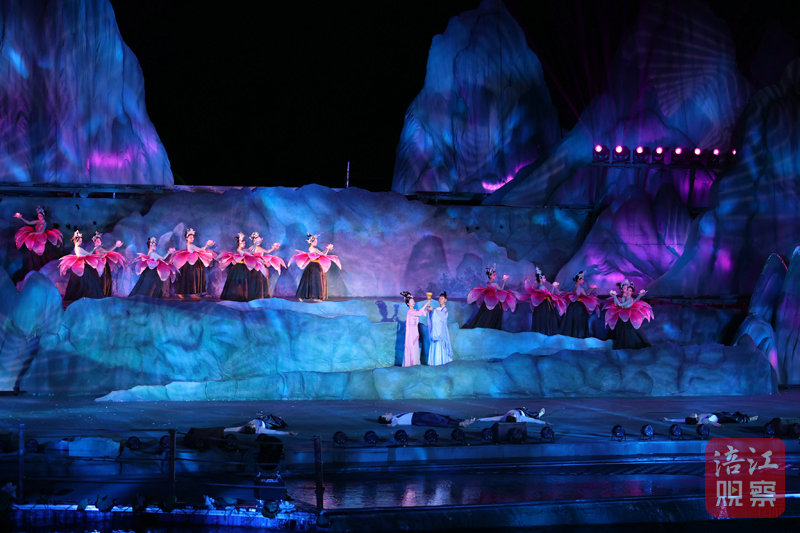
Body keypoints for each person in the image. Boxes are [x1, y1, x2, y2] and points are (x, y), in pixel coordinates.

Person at [290, 233, 341, 302]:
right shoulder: (312, 249)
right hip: (314, 266)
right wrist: (327, 249)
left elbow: (322, 255)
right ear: (312, 242)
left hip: (315, 265)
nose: (316, 242)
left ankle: (313, 296)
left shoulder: (313, 249)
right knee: (314, 280)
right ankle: (313, 296)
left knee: (312, 280)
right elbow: (322, 255)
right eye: (315, 241)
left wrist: (327, 249)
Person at [604, 279, 653, 349]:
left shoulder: (629, 298)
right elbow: (618, 304)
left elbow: (630, 302)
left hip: (628, 314)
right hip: (623, 314)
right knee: (622, 328)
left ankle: (633, 342)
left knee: (631, 327)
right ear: (621, 290)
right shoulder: (623, 297)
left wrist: (640, 295)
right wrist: (614, 297)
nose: (626, 290)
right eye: (625, 288)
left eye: (627, 288)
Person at [13, 206, 63, 273]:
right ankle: (33, 267)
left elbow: (41, 232)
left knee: (41, 251)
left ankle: (43, 267)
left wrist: (33, 233)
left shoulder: (44, 222)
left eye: (41, 216)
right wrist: (21, 218)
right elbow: (29, 222)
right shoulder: (38, 221)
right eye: (38, 215)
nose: (39, 217)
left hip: (41, 237)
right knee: (33, 251)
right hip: (35, 237)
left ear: (43, 216)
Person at [59, 230, 104, 301]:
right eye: (80, 240)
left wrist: (95, 248)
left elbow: (87, 253)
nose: (81, 241)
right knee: (87, 279)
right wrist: (95, 248)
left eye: (81, 240)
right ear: (76, 241)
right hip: (81, 266)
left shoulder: (78, 247)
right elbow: (88, 254)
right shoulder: (78, 248)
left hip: (83, 264)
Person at [171, 227, 215, 299]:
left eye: (193, 237)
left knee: (187, 278)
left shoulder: (190, 245)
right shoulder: (190, 245)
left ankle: (183, 293)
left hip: (191, 262)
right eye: (190, 237)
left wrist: (206, 245)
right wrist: (206, 245)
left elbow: (199, 250)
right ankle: (192, 294)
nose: (192, 238)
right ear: (187, 238)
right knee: (193, 277)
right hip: (191, 264)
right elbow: (200, 250)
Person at [521, 267, 566, 335]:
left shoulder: (542, 286)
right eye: (544, 278)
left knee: (549, 316)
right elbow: (548, 294)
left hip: (545, 304)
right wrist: (553, 287)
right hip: (543, 304)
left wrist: (553, 287)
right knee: (546, 317)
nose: (545, 279)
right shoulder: (541, 287)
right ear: (540, 278)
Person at [560, 270, 600, 338]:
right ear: (578, 279)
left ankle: (579, 334)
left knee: (580, 320)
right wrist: (590, 289)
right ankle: (578, 334)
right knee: (578, 320)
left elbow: (585, 294)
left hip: (578, 305)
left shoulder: (579, 287)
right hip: (577, 306)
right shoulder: (577, 287)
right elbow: (580, 294)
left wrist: (590, 289)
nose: (583, 281)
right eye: (582, 279)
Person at [247, 232, 284, 299]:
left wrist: (273, 248)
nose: (259, 242)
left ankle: (258, 294)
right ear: (254, 241)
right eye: (257, 241)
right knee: (259, 279)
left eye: (259, 241)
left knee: (259, 279)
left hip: (257, 265)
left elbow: (267, 251)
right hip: (257, 265)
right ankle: (258, 294)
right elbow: (248, 253)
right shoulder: (254, 248)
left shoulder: (255, 248)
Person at [218, 232, 253, 301]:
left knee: (243, 281)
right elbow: (247, 253)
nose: (244, 244)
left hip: (243, 267)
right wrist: (241, 239)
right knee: (237, 281)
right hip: (238, 267)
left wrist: (255, 244)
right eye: (243, 243)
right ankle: (236, 296)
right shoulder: (239, 250)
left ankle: (242, 295)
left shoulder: (244, 250)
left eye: (245, 243)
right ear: (239, 243)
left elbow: (250, 251)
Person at [400, 291, 432, 366]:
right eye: (411, 301)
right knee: (411, 346)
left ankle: (415, 363)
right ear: (408, 303)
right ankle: (410, 363)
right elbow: (419, 313)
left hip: (415, 330)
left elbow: (423, 313)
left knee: (415, 347)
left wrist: (427, 308)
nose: (413, 302)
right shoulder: (410, 312)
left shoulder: (415, 310)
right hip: (411, 332)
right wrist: (426, 304)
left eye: (413, 301)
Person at [91, 232, 125, 297]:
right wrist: (116, 245)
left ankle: (105, 292)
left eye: (99, 240)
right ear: (95, 243)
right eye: (97, 241)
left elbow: (106, 252)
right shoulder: (98, 249)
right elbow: (107, 251)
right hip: (101, 266)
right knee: (103, 279)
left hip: (104, 265)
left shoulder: (100, 248)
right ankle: (103, 292)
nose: (98, 242)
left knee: (105, 279)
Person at [427, 291, 454, 366]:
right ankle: (435, 362)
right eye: (439, 299)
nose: (440, 300)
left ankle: (443, 361)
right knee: (435, 345)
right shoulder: (437, 309)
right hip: (435, 331)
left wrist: (433, 310)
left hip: (442, 331)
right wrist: (430, 311)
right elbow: (433, 317)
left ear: (445, 300)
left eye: (442, 298)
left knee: (442, 345)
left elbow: (442, 317)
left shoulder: (445, 310)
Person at [378, 412, 475, 428]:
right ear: (387, 419)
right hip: (417, 418)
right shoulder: (394, 420)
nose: (387, 413)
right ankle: (460, 424)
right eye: (385, 415)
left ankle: (461, 421)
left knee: (440, 417)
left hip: (418, 415)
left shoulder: (395, 416)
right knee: (438, 420)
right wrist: (390, 424)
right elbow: (394, 424)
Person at [662, 411, 758, 427]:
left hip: (718, 414)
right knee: (734, 418)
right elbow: (712, 422)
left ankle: (746, 417)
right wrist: (719, 425)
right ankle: (750, 419)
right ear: (693, 418)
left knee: (730, 414)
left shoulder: (699, 417)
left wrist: (669, 420)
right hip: (720, 418)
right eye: (692, 415)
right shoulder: (702, 421)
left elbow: (681, 420)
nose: (692, 413)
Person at [478, 407, 549, 425]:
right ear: (516, 417)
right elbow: (534, 421)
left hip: (517, 409)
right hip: (523, 412)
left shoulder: (504, 418)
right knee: (529, 413)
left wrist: (480, 419)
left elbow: (492, 418)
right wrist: (544, 422)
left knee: (523, 409)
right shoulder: (521, 418)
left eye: (511, 414)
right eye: (513, 414)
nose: (512, 413)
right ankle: (539, 414)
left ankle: (537, 415)